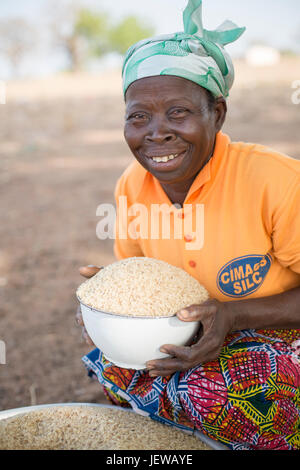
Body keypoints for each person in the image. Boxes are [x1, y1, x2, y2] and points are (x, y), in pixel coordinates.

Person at [76, 0, 300, 450]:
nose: (156, 132)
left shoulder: (275, 180)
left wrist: (234, 316)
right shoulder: (131, 186)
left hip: (280, 333)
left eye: (179, 112)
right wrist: (113, 295)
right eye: (139, 116)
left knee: (224, 393)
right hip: (187, 336)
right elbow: (139, 277)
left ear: (216, 114)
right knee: (109, 353)